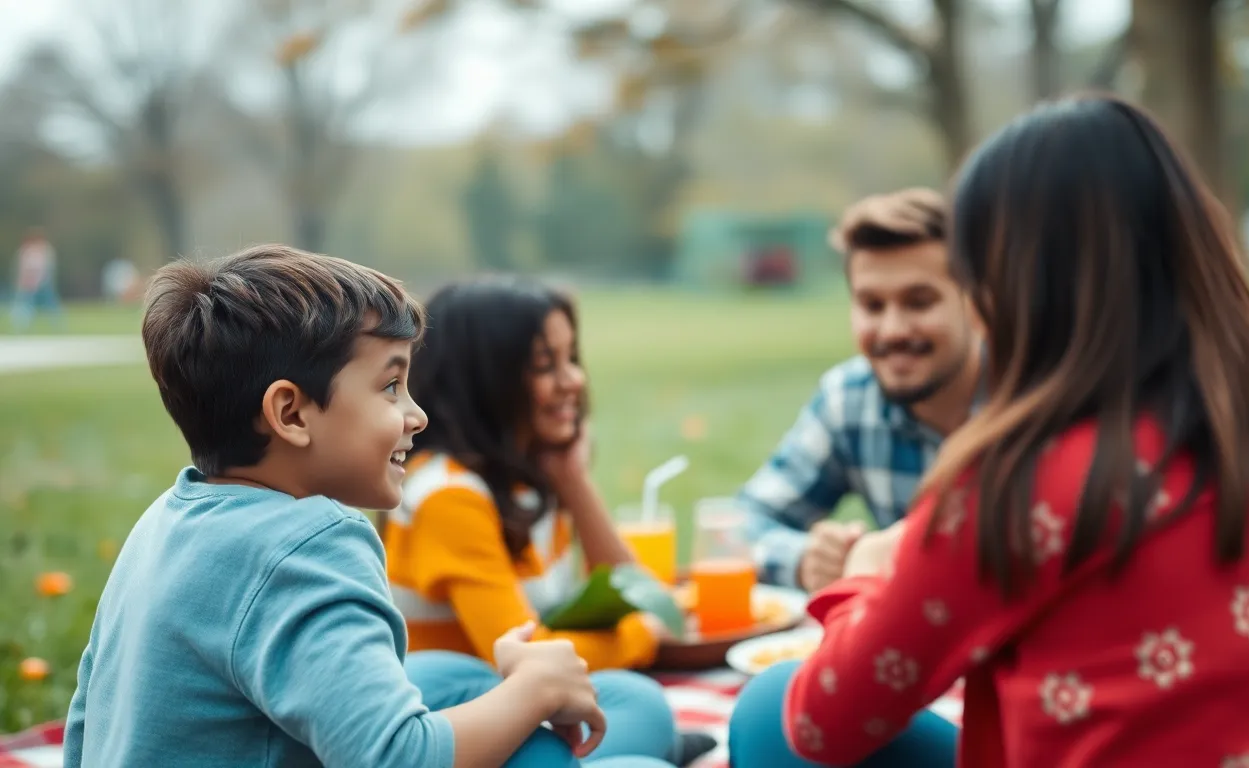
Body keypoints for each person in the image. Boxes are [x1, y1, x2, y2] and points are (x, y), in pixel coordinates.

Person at [776, 95, 1249, 766]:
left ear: (1009, 285)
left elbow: (822, 724)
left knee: (766, 712)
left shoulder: (1015, 486)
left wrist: (864, 577)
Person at [64, 245, 669, 768]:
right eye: (389, 386)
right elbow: (396, 757)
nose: (417, 415)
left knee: (438, 681)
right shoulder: (312, 544)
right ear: (291, 414)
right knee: (628, 749)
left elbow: (85, 728)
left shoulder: (165, 521)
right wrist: (534, 689)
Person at [384, 276, 710, 767]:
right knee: (641, 709)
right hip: (463, 719)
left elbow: (637, 592)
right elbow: (530, 657)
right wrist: (641, 634)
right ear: (486, 379)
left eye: (570, 357)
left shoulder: (524, 477)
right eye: (544, 365)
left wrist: (572, 480)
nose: (574, 380)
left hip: (516, 702)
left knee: (642, 703)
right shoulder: (447, 497)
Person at [737, 189, 984, 593]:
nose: (892, 330)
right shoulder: (850, 400)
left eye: (919, 303)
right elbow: (743, 523)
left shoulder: (1033, 396)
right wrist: (805, 560)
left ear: (972, 300)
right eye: (872, 306)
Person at [11, 228, 64, 330]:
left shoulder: (43, 251)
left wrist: (37, 282)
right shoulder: (28, 252)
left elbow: (42, 269)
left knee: (49, 304)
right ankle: (22, 325)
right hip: (30, 285)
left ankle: (57, 324)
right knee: (26, 305)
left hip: (40, 284)